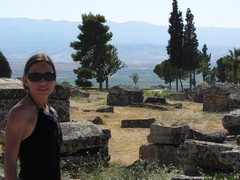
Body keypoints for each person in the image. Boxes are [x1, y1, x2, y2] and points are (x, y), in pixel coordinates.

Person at [4, 53, 62, 180]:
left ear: (54, 79)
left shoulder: (51, 111)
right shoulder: (20, 112)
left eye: (48, 76)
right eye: (35, 77)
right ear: (25, 80)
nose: (43, 82)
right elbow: (9, 163)